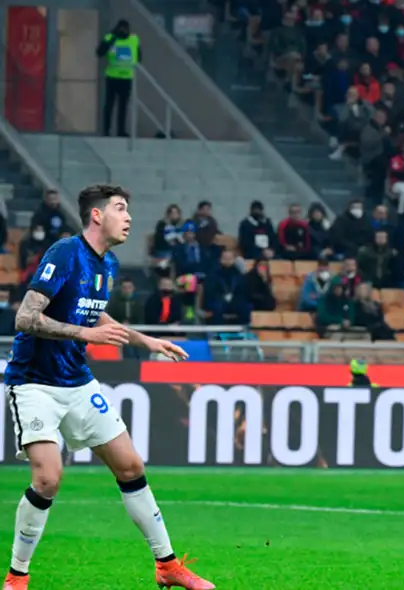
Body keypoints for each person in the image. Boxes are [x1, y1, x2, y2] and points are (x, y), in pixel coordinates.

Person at [2, 185, 214, 590]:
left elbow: (96, 317)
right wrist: (84, 333)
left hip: (77, 381)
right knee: (48, 479)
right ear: (97, 216)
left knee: (131, 466)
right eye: (120, 209)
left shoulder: (109, 264)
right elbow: (26, 318)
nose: (129, 217)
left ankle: (167, 566)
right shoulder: (65, 253)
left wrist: (145, 341)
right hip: (34, 383)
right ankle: (16, 577)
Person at [95, 20, 140, 137]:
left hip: (126, 77)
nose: (123, 32)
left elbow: (139, 57)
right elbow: (99, 52)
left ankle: (121, 131)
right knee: (109, 105)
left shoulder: (134, 39)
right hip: (113, 76)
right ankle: (106, 130)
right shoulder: (111, 38)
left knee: (123, 107)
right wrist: (112, 39)